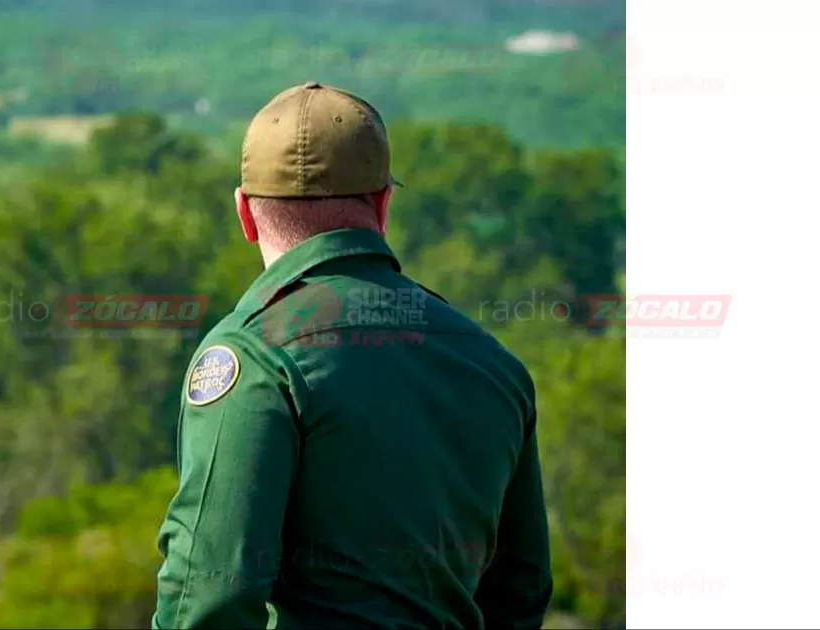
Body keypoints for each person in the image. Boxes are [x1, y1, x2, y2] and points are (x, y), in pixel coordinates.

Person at [152, 81, 553, 630]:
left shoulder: (253, 357)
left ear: (245, 215)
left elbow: (211, 595)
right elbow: (521, 589)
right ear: (384, 205)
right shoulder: (493, 363)